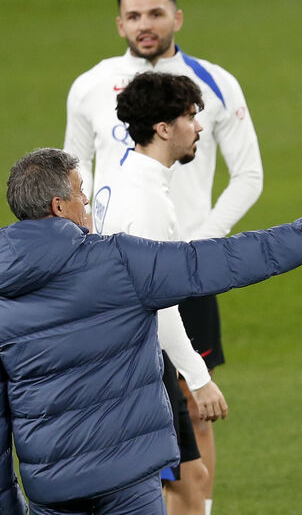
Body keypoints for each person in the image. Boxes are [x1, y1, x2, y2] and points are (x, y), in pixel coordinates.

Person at [0, 147, 302, 515]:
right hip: (128, 482)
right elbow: (227, 260)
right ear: (58, 207)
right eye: (82, 199)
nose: (88, 208)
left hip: (50, 491)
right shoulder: (119, 262)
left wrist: (6, 508)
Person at [63, 0, 262, 509]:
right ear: (119, 24)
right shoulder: (91, 86)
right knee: (158, 415)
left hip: (181, 266)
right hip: (142, 269)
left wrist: (201, 246)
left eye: (155, 13)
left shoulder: (215, 82)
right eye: (134, 15)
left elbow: (249, 175)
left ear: (177, 16)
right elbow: (71, 173)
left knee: (190, 414)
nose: (144, 25)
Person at [91, 71, 219, 514]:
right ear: (164, 129)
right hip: (136, 364)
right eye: (190, 116)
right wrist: (199, 381)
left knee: (180, 480)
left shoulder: (115, 173)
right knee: (185, 483)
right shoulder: (147, 201)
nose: (199, 127)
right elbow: (159, 305)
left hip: (118, 358)